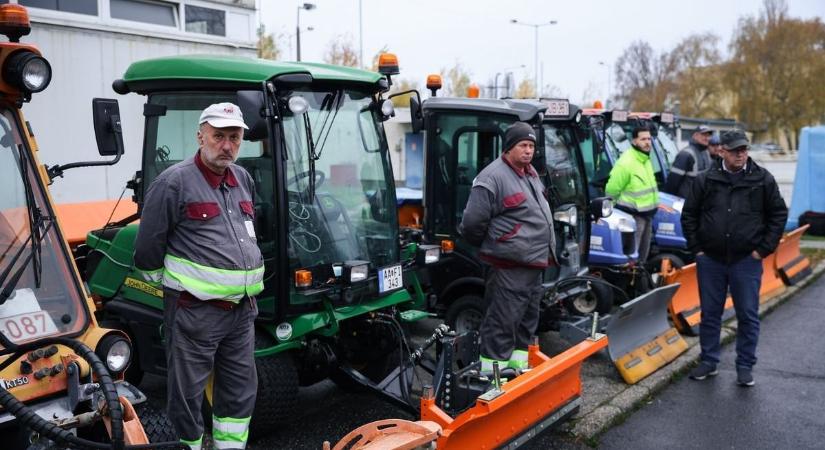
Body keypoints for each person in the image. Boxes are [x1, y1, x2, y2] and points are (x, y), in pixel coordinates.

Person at [134, 102, 263, 450]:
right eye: (218, 136)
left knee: (239, 390)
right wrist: (178, 287)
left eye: (234, 138)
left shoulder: (242, 179)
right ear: (200, 135)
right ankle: (188, 446)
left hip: (241, 311)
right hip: (194, 311)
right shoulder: (173, 183)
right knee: (187, 393)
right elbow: (147, 249)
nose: (227, 145)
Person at [682, 129, 787, 387]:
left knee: (748, 314)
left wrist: (762, 251)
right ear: (722, 151)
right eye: (736, 150)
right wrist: (698, 248)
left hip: (746, 260)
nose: (741, 154)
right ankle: (709, 360)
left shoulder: (762, 179)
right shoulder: (706, 179)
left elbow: (778, 215)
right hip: (712, 260)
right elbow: (689, 215)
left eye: (744, 149)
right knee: (710, 314)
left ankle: (745, 365)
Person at [459, 122, 556, 372]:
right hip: (508, 266)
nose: (528, 150)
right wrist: (497, 245)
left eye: (532, 146)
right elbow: (471, 224)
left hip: (532, 264)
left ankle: (517, 372)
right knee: (502, 323)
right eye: (523, 145)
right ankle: (492, 381)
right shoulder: (492, 177)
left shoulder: (530, 173)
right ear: (509, 147)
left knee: (524, 323)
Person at [605, 125, 658, 262]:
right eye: (643, 139)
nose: (647, 142)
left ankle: (639, 281)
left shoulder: (645, 159)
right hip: (633, 218)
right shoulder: (626, 162)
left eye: (649, 139)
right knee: (631, 260)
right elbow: (611, 190)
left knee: (642, 258)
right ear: (634, 141)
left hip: (647, 217)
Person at [664, 124, 714, 199]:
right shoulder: (685, 154)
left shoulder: (706, 153)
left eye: (708, 135)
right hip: (686, 204)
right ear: (695, 136)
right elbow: (672, 183)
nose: (707, 138)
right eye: (704, 135)